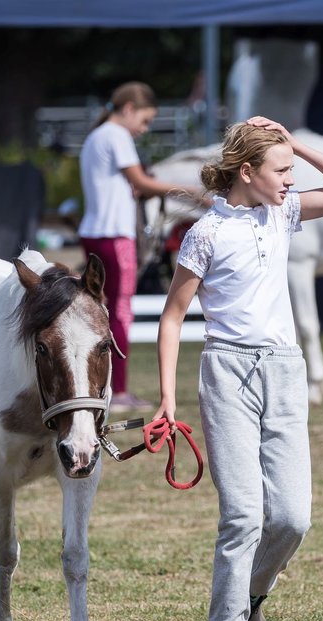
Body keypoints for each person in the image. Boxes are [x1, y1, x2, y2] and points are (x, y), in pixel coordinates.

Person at [154, 117, 323, 621]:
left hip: (284, 371)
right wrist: (169, 400)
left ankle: (252, 597)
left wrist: (294, 144)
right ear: (246, 172)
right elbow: (173, 317)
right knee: (244, 515)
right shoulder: (205, 233)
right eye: (281, 170)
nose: (290, 179)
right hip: (226, 372)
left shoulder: (283, 213)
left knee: (293, 517)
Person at [79, 81, 202, 412]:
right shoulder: (116, 135)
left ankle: (103, 386)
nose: (143, 130)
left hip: (93, 231)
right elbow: (142, 182)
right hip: (115, 235)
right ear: (129, 109)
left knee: (101, 312)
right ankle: (118, 391)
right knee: (119, 312)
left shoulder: (96, 136)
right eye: (145, 121)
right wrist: (192, 191)